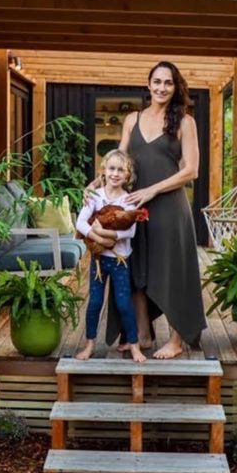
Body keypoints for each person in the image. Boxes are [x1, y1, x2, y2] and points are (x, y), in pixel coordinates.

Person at [88, 61, 206, 359]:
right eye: (157, 81)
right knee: (135, 270)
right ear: (148, 84)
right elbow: (120, 158)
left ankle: (177, 340)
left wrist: (152, 190)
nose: (161, 87)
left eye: (168, 82)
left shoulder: (185, 122)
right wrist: (99, 182)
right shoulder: (132, 120)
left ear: (175, 87)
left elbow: (191, 170)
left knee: (172, 273)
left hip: (169, 208)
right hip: (134, 208)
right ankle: (142, 334)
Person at [73, 150, 145, 362]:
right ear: (103, 171)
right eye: (111, 168)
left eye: (120, 170)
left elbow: (130, 232)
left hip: (120, 259)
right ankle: (89, 345)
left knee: (123, 303)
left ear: (127, 175)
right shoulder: (95, 195)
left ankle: (134, 346)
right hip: (98, 259)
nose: (115, 173)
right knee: (95, 302)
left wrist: (106, 235)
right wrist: (101, 240)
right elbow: (79, 224)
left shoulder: (128, 200)